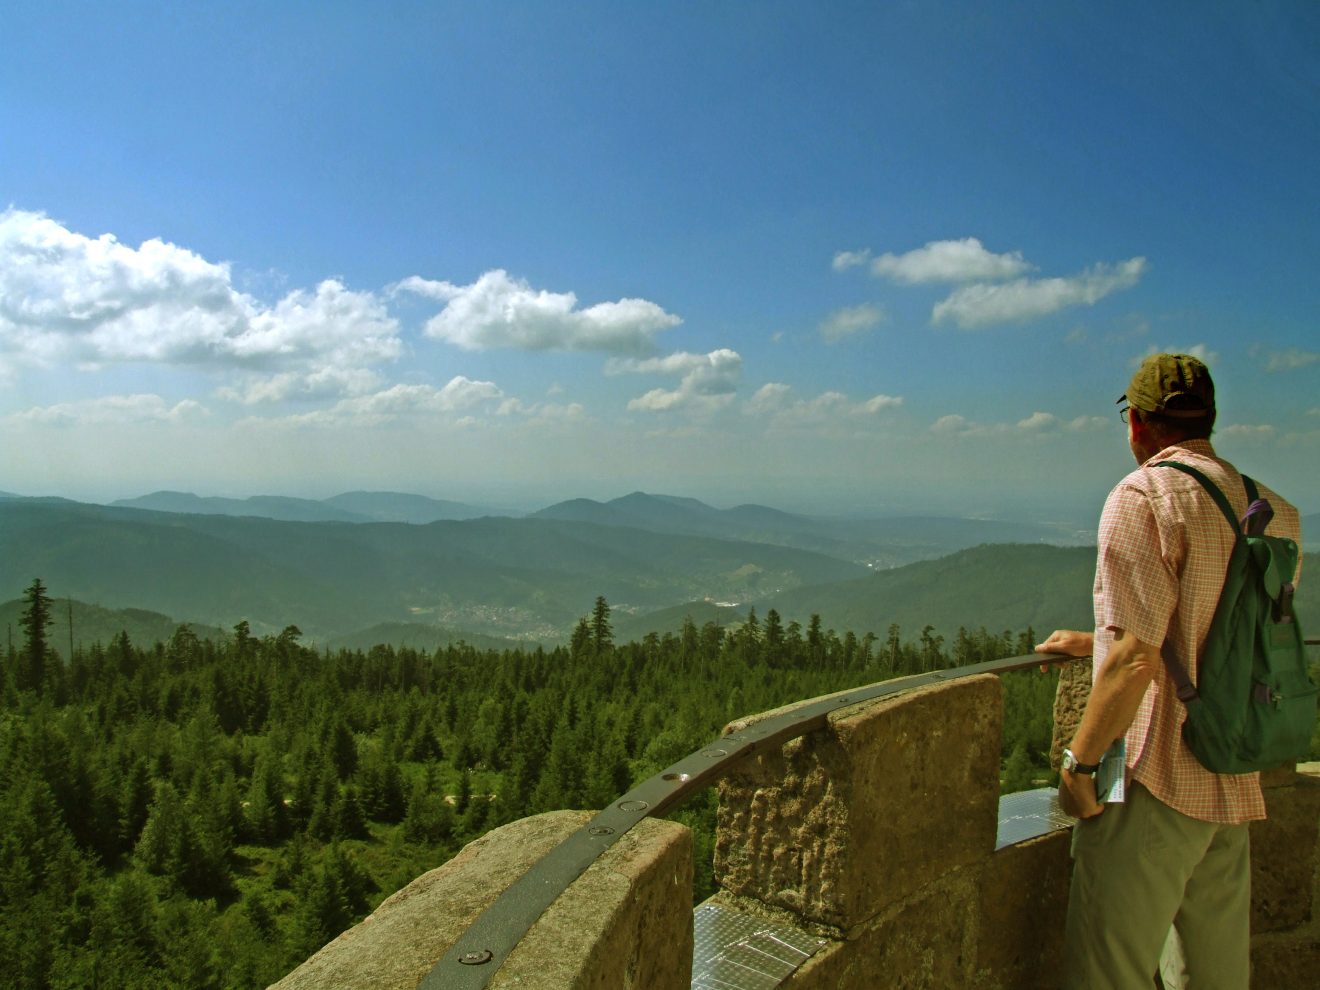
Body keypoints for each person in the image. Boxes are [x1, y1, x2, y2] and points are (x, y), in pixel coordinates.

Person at [1035, 353, 1302, 989]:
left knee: (1110, 972)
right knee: (1214, 977)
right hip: (1231, 773)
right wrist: (1094, 640)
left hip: (1157, 774)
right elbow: (1230, 635)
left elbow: (1135, 659)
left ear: (1138, 426)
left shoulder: (1143, 497)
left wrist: (1078, 766)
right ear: (1209, 419)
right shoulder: (1273, 510)